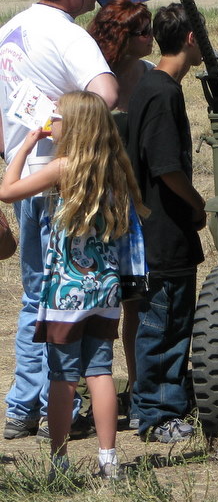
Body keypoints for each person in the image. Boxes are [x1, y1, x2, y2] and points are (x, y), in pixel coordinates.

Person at [0, 0, 118, 440]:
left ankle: (22, 407)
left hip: (24, 175)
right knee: (66, 299)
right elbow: (105, 91)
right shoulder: (68, 35)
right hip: (60, 182)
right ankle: (56, 406)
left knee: (35, 295)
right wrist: (75, 134)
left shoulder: (9, 31)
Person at [0, 91, 148, 479]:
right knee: (100, 371)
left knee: (62, 376)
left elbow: (7, 191)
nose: (53, 124)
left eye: (58, 118)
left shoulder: (62, 168)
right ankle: (108, 459)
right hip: (105, 287)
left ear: (74, 127)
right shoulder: (113, 169)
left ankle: (60, 461)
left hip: (65, 291)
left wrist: (27, 144)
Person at [126, 3, 206, 443]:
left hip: (155, 231)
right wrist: (197, 203)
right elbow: (166, 167)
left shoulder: (151, 85)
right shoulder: (163, 93)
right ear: (190, 39)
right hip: (162, 233)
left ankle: (159, 403)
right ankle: (157, 414)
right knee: (165, 324)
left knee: (167, 321)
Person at [88, 0, 154, 424]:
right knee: (99, 303)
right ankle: (90, 388)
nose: (151, 38)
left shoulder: (149, 75)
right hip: (102, 206)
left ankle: (137, 385)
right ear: (122, 38)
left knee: (137, 302)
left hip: (138, 206)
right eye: (143, 31)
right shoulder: (96, 80)